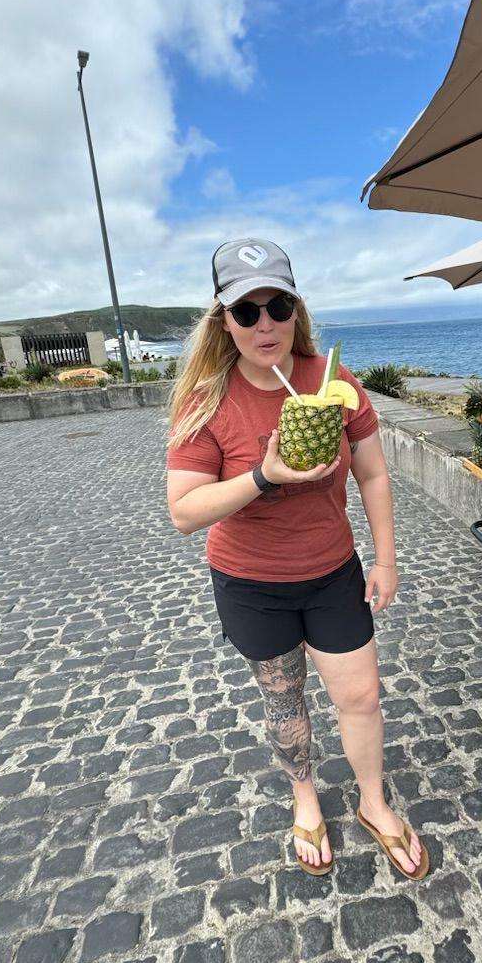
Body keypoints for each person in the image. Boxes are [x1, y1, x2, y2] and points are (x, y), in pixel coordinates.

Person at [165, 239, 427, 882]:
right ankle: (305, 798)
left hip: (332, 572)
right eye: (246, 311)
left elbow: (372, 474)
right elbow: (184, 511)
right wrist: (264, 475)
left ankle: (373, 803)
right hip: (251, 582)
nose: (265, 325)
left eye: (277, 307)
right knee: (285, 702)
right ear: (223, 320)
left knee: (361, 696)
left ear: (296, 310)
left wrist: (386, 560)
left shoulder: (333, 383)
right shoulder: (207, 400)